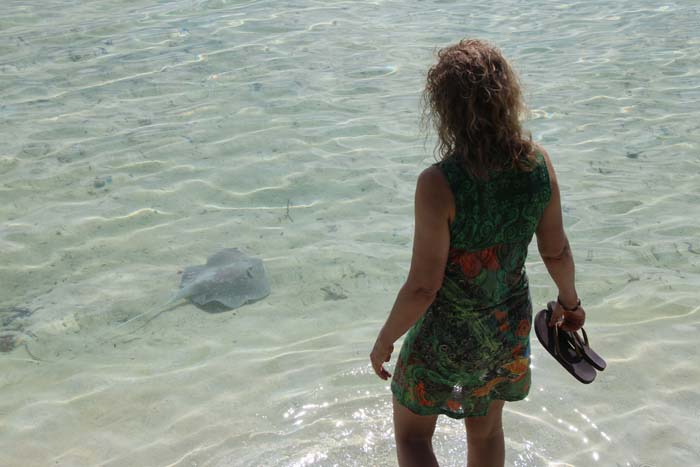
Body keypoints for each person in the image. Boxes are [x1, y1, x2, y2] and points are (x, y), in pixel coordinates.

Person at [369, 39, 586, 467]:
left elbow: (423, 287)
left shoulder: (439, 184)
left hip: (445, 335)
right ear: (508, 97)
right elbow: (556, 251)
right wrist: (570, 304)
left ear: (444, 109)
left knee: (413, 438)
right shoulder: (537, 165)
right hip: (505, 329)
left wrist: (385, 339)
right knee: (486, 435)